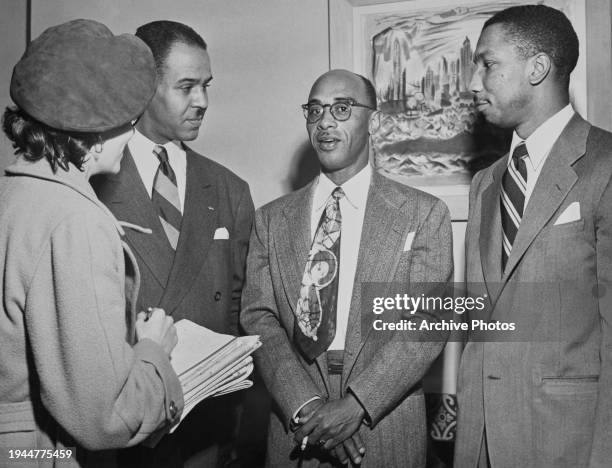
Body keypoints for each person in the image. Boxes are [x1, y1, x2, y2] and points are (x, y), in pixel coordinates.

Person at [241, 69, 453, 467]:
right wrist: (306, 406)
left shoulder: (423, 214)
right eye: (315, 110)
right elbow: (258, 318)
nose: (325, 122)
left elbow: (426, 321)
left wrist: (356, 404)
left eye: (341, 108)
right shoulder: (271, 219)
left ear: (374, 121)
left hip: (384, 423)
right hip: (295, 425)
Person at [0, 19, 183, 467]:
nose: (134, 133)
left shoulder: (14, 195)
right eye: (131, 121)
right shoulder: (76, 220)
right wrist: (153, 349)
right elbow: (106, 417)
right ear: (97, 133)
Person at [454, 5, 612, 467]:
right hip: (483, 443)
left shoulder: (605, 166)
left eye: (488, 64)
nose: (474, 81)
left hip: (569, 444)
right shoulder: (485, 183)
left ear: (537, 67)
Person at [92, 20, 254, 467]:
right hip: (122, 425)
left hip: (206, 426)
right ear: (144, 87)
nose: (201, 101)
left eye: (206, 86)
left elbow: (240, 305)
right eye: (186, 86)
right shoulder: (92, 184)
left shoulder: (228, 190)